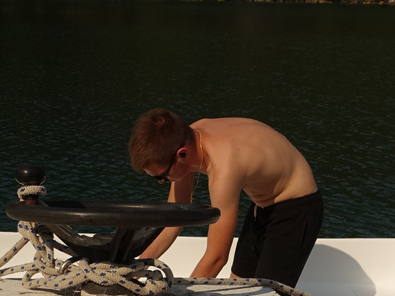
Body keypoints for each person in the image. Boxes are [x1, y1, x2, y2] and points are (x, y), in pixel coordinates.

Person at [129, 108, 323, 284]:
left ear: (183, 155)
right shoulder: (186, 137)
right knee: (238, 288)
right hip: (262, 206)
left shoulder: (224, 168)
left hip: (297, 209)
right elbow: (175, 218)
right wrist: (135, 269)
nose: (162, 182)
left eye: (162, 176)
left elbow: (217, 257)